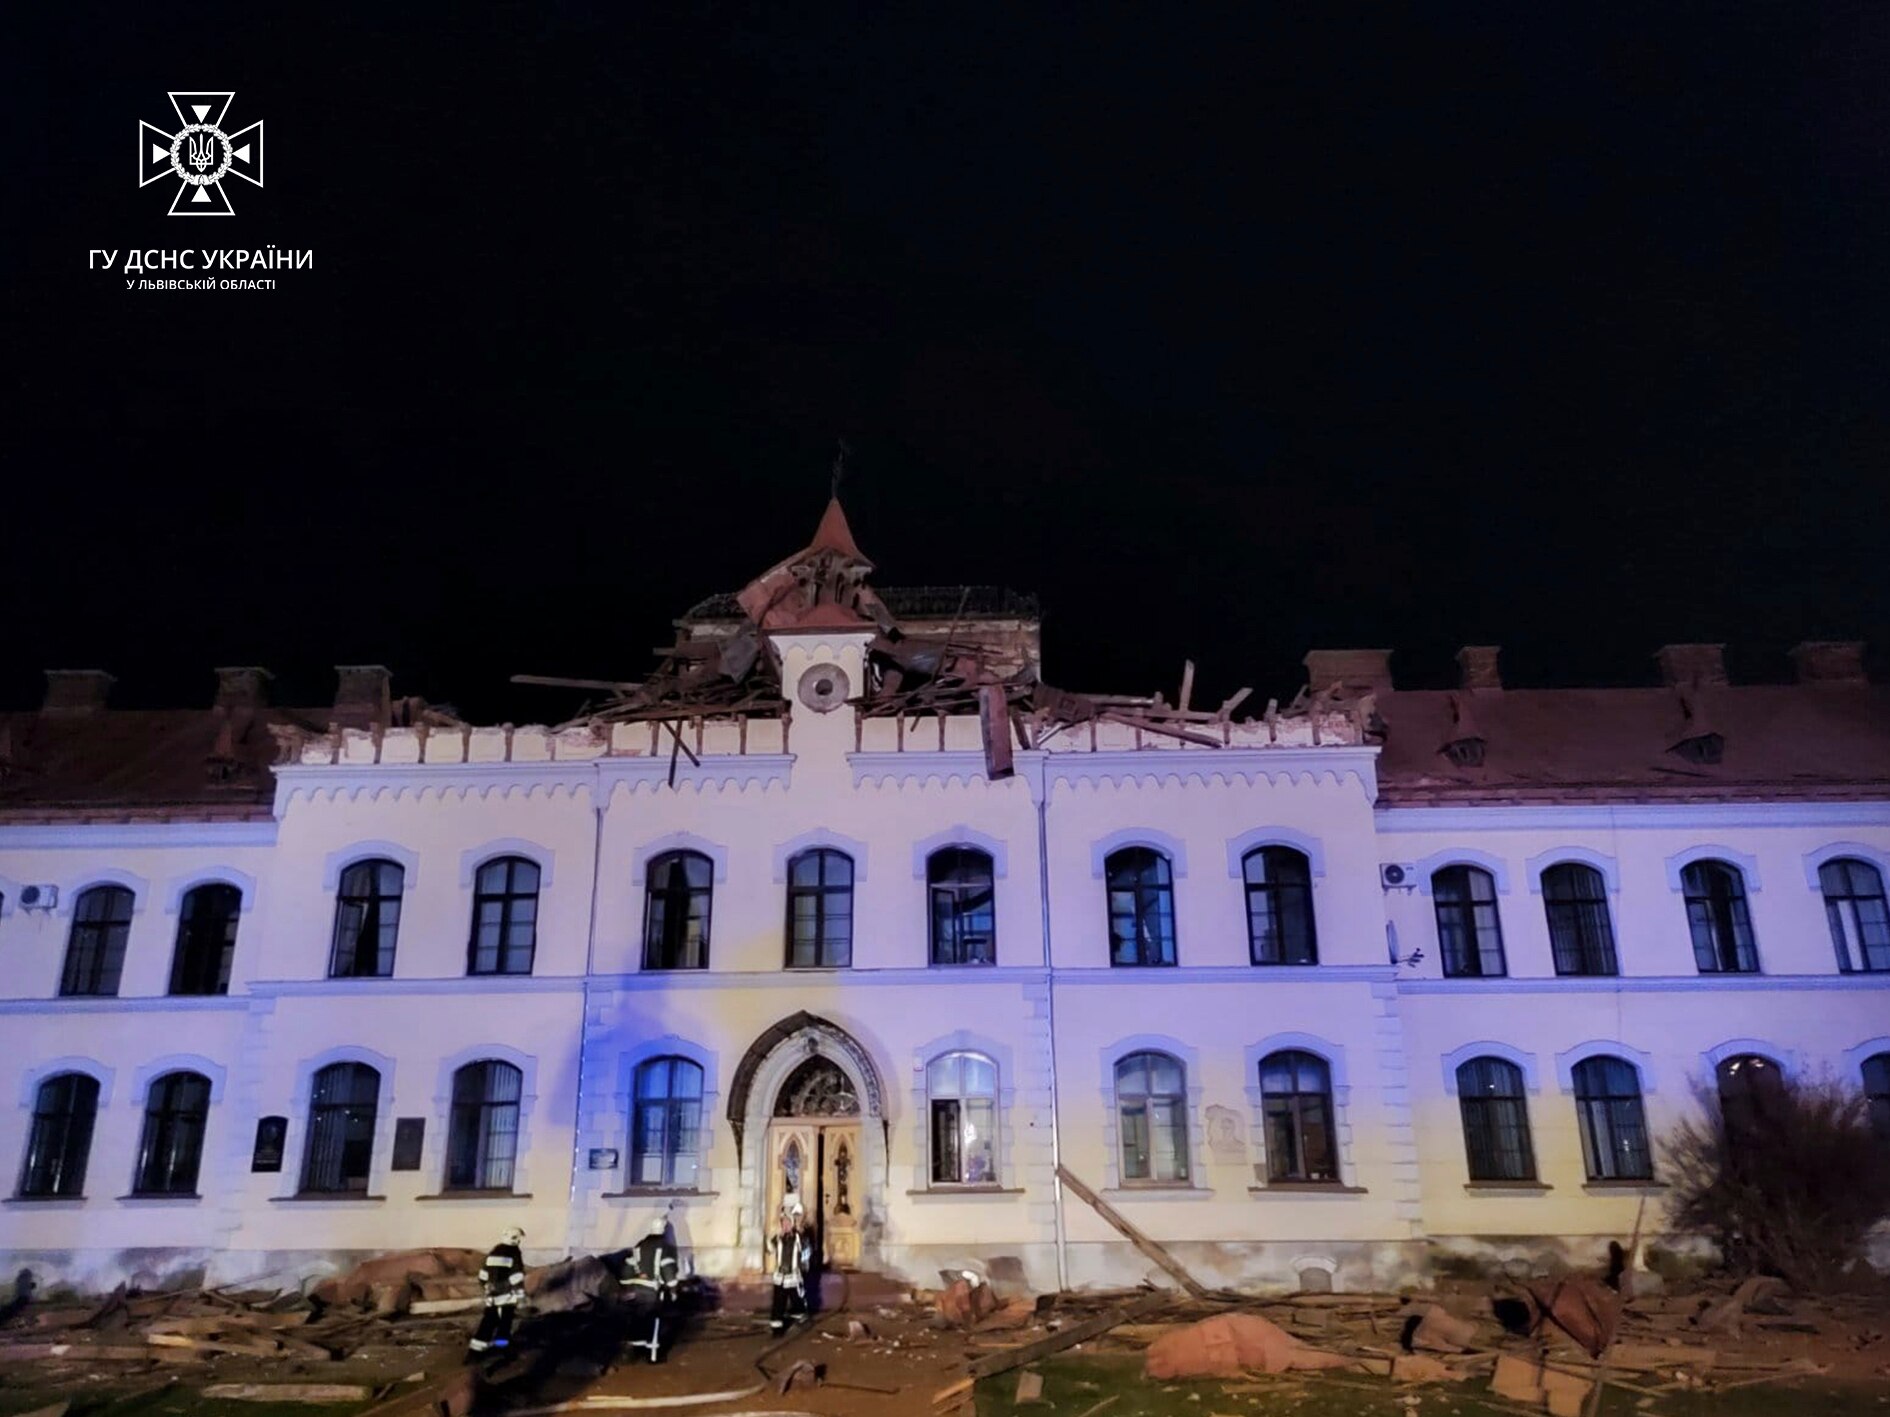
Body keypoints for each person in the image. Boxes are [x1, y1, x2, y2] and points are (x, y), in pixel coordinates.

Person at [620, 1215, 681, 1362]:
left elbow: (628, 1267)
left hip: (635, 1289)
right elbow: (668, 1270)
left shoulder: (640, 1245)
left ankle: (632, 1352)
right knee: (653, 1321)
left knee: (637, 1318)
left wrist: (626, 1284)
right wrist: (673, 1290)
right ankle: (652, 1355)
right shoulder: (665, 1248)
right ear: (664, 1231)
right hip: (652, 1291)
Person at [468, 1226, 527, 1353]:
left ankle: (475, 1350)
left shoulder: (494, 1251)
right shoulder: (514, 1252)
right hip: (506, 1296)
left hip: (491, 1296)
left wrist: (488, 1288)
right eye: (518, 1238)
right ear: (515, 1238)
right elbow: (516, 1276)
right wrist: (521, 1297)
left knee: (488, 1320)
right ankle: (500, 1348)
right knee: (505, 1322)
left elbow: (483, 1275)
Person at [766, 1196, 813, 1335]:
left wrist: (803, 1267)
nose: (785, 1225)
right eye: (783, 1223)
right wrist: (773, 1236)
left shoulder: (799, 1237)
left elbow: (806, 1252)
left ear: (792, 1224)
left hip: (793, 1276)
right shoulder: (779, 1237)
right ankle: (777, 1327)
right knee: (778, 1302)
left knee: (797, 1299)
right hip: (780, 1275)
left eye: (788, 1223)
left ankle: (802, 1320)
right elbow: (769, 1249)